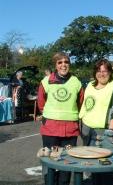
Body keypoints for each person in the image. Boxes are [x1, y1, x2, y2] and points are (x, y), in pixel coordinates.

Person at [37, 52, 84, 185]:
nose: (63, 65)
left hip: (70, 130)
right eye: (60, 62)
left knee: (67, 164)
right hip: (50, 130)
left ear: (69, 64)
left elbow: (80, 103)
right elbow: (41, 104)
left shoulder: (76, 82)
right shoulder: (46, 82)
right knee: (50, 163)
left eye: (66, 62)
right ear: (56, 65)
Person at [79, 59, 113, 185]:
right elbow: (85, 106)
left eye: (105, 70)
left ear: (110, 72)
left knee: (105, 169)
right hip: (88, 132)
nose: (102, 73)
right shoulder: (90, 85)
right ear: (95, 73)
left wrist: (110, 132)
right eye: (99, 71)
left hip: (105, 132)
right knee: (93, 168)